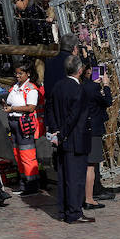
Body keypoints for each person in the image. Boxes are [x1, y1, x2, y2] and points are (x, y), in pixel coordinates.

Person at [46, 55, 94, 225]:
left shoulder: (58, 86)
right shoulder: (78, 89)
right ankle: (74, 212)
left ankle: (64, 210)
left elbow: (49, 108)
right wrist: (61, 134)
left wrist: (54, 130)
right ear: (80, 71)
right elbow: (73, 117)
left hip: (62, 138)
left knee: (64, 176)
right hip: (74, 139)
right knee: (75, 178)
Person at [4, 61, 42, 195]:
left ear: (28, 74)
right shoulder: (15, 87)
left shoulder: (31, 89)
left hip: (24, 124)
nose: (17, 76)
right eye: (16, 73)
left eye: (20, 73)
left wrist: (13, 108)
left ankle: (32, 186)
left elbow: (31, 107)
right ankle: (23, 183)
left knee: (27, 155)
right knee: (17, 154)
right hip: (13, 123)